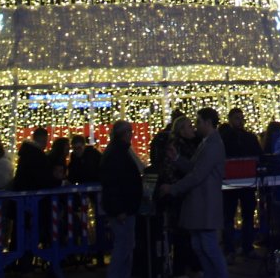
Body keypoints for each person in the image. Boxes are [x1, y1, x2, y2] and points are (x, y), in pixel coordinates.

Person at [161, 107, 228, 278]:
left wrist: (173, 188)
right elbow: (194, 169)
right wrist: (177, 159)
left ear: (207, 123)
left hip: (205, 204)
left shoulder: (212, 144)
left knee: (208, 246)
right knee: (200, 245)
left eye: (198, 122)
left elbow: (197, 174)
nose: (196, 126)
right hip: (200, 203)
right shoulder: (206, 143)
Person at [101, 121, 145, 278]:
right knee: (123, 247)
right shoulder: (118, 154)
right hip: (123, 208)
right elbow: (114, 183)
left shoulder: (116, 151)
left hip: (124, 207)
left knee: (125, 247)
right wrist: (119, 209)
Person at [220, 108, 262, 262]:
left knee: (247, 215)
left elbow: (258, 155)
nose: (240, 121)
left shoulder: (248, 137)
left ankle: (246, 247)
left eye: (241, 118)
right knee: (229, 217)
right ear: (230, 119)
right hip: (231, 183)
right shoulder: (225, 138)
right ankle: (231, 249)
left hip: (246, 181)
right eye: (237, 118)